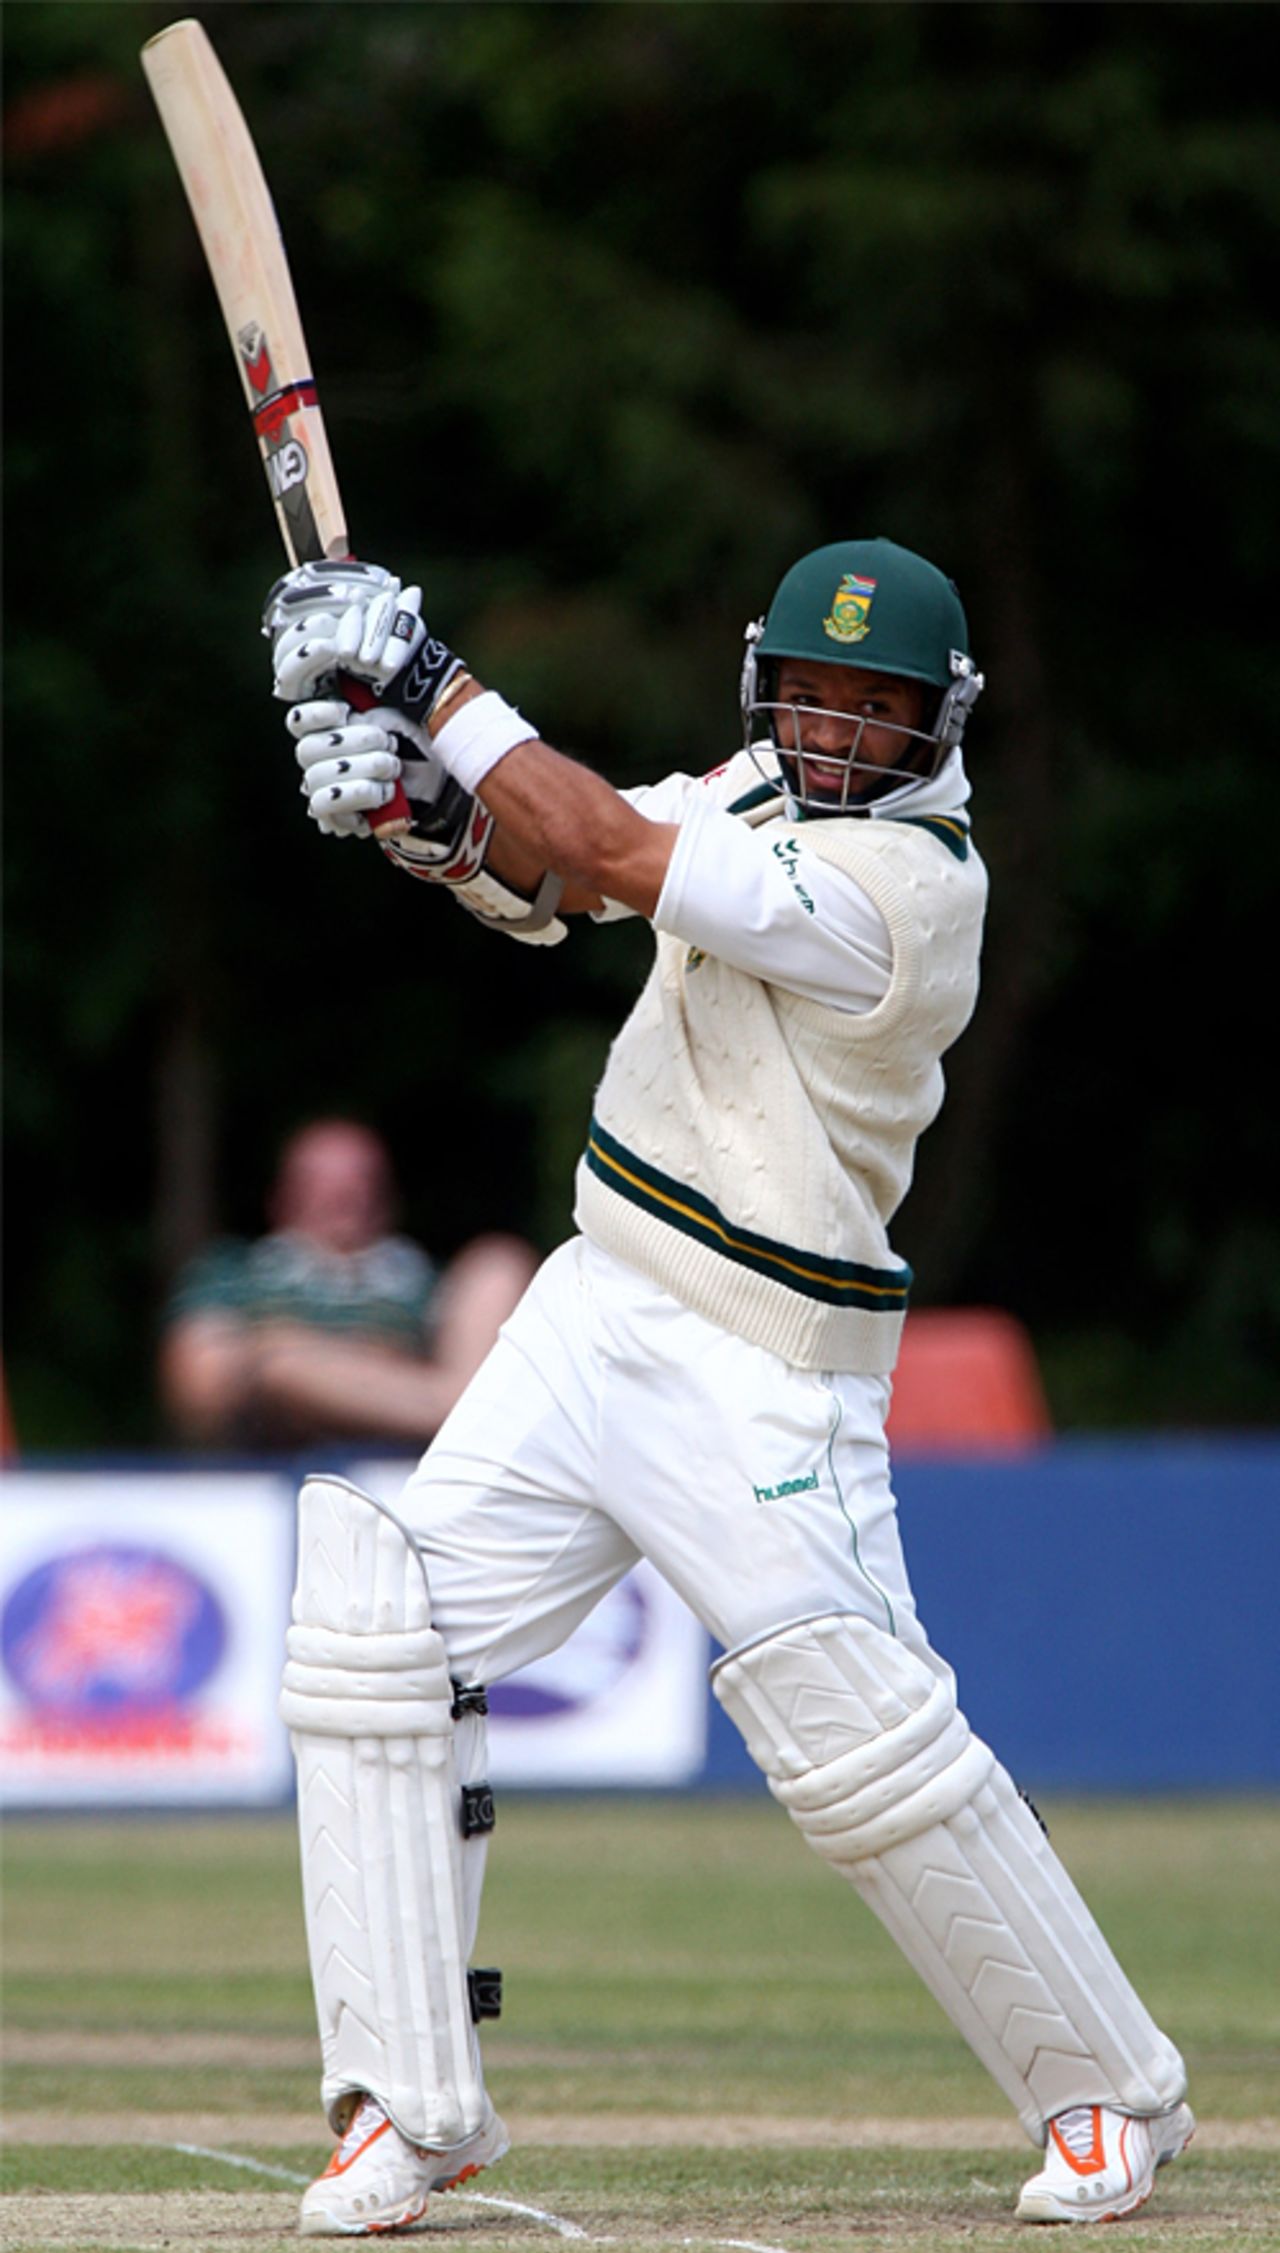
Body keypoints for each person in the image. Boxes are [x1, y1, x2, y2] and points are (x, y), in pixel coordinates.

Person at [263, 539, 1192, 2235]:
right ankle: (412, 2102)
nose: (835, 730)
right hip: (592, 1300)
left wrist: (421, 677)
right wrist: (427, 815)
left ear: (941, 722)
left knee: (862, 1752)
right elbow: (570, 861)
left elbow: (618, 846)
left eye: (876, 706)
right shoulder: (756, 777)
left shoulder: (919, 891)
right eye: (814, 693)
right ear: (769, 681)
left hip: (767, 1360)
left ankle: (1111, 2091)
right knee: (375, 1634)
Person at [160, 1115, 535, 1449]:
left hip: (413, 1458)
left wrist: (281, 1344)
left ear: (389, 1198)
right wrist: (380, 1361)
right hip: (274, 1449)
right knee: (283, 1368)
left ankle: (452, 1410)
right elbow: (200, 1388)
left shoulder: (426, 1283)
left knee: (500, 1260)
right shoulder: (234, 1273)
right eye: (321, 1181)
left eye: (361, 1179)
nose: (344, 1196)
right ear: (281, 1197)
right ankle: (454, 1413)